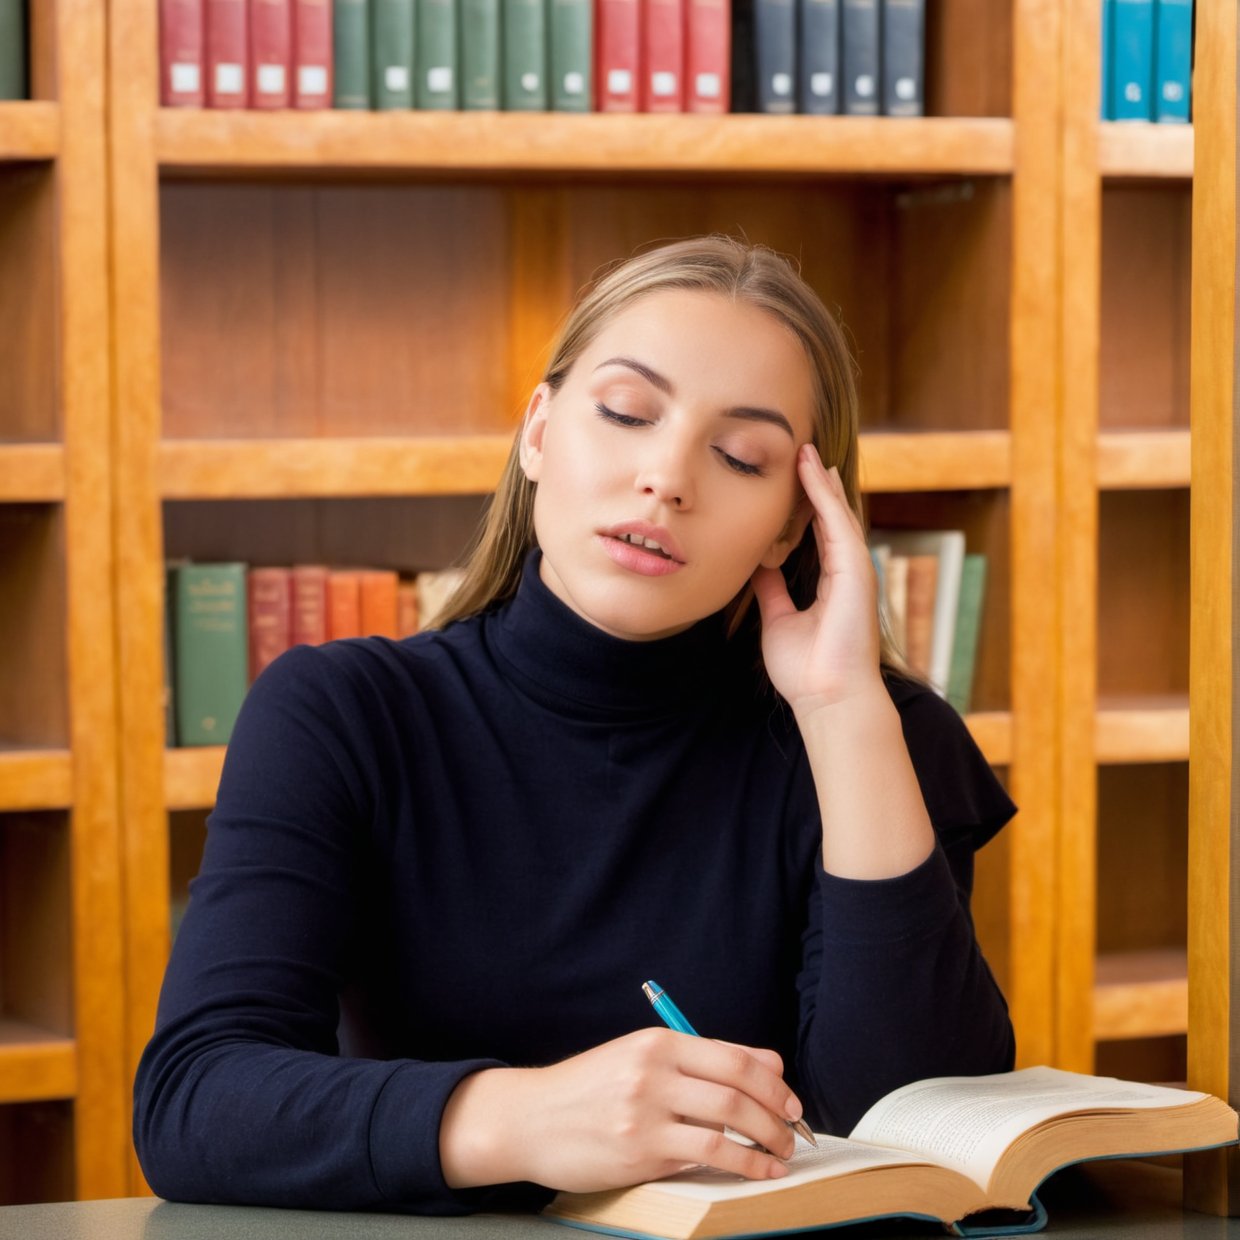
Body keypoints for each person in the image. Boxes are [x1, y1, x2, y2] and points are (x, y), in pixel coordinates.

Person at [133, 235, 1016, 1214]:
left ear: (790, 523)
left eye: (741, 455)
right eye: (627, 412)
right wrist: (528, 1117)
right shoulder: (345, 711)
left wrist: (841, 711)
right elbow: (193, 1101)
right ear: (540, 431)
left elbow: (912, 1131)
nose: (667, 478)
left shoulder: (879, 740)